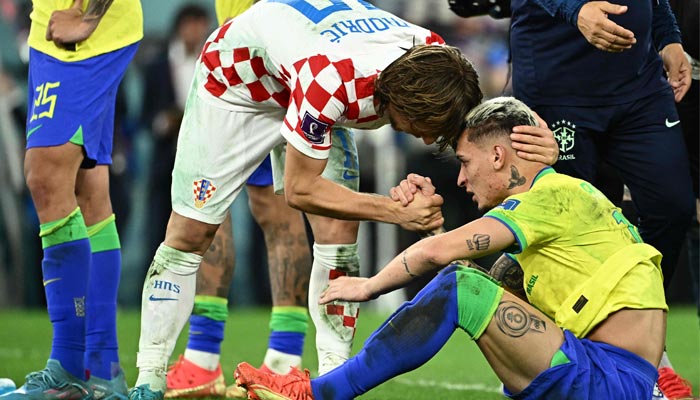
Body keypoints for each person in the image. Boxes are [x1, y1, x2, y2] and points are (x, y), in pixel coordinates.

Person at [128, 2, 560, 399]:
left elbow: (473, 129)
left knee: (338, 230)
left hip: (306, 62)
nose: (428, 139)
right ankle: (148, 378)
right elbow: (301, 191)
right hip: (239, 86)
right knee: (191, 232)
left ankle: (332, 379)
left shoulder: (436, 60)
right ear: (391, 106)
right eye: (421, 127)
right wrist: (394, 210)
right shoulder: (331, 84)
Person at [234, 96, 669, 400]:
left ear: (498, 156)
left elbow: (450, 272)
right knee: (468, 285)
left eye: (465, 162)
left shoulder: (549, 198)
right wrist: (434, 230)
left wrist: (370, 286)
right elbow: (469, 280)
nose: (461, 180)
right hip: (608, 373)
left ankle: (319, 393)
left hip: (608, 379)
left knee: (462, 285)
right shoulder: (565, 206)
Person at [501, 0, 695, 397]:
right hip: (557, 88)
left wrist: (669, 38)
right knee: (569, 229)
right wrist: (576, 10)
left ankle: (640, 339)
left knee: (673, 207)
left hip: (638, 89)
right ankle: (572, 355)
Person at [7, 0, 142, 399]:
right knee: (88, 190)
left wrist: (87, 17)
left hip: (83, 35)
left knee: (45, 176)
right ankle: (102, 370)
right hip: (52, 34)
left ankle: (69, 367)